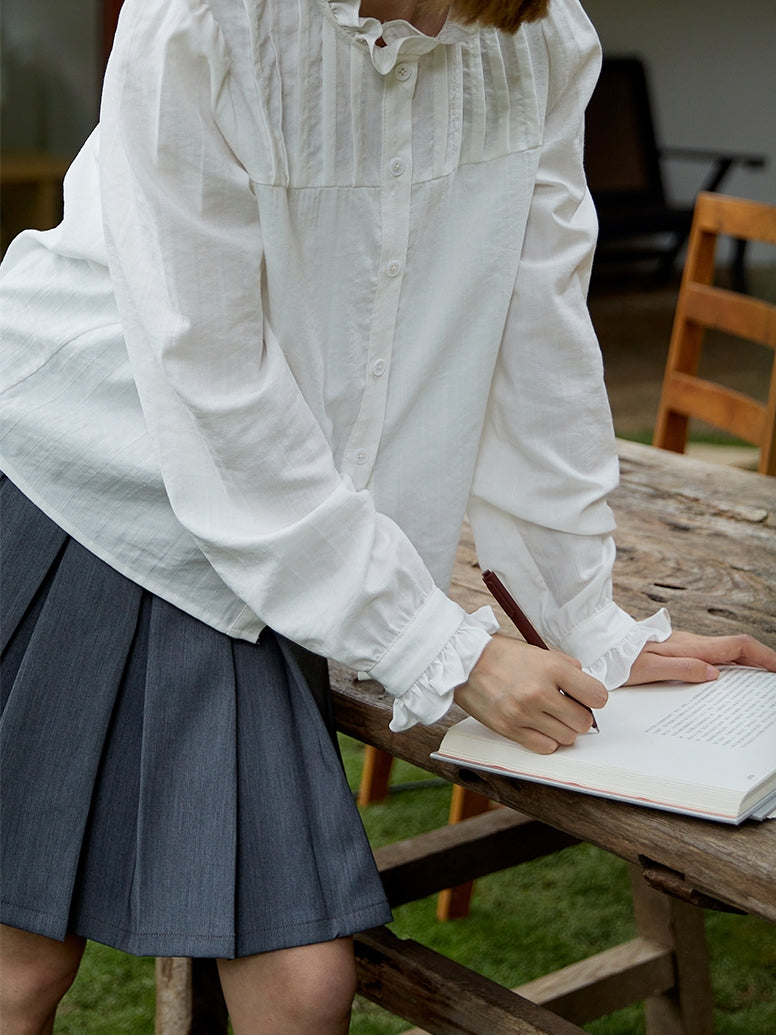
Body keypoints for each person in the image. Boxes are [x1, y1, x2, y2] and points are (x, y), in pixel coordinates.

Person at [1, 0, 774, 1032]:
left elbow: (536, 339)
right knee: (22, 963)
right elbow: (211, 375)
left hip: (279, 529)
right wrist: (444, 649)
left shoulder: (540, 41)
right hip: (86, 474)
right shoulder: (200, 21)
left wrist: (579, 621)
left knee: (298, 988)